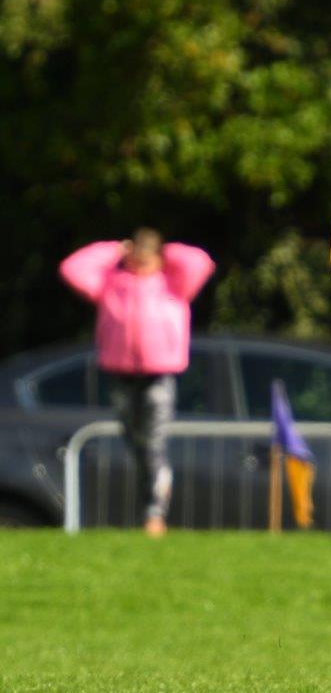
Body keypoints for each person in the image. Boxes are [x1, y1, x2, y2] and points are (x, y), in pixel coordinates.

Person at [59, 229, 215, 537]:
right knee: (135, 440)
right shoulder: (112, 285)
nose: (141, 265)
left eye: (147, 259)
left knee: (154, 443)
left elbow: (200, 261)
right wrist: (115, 249)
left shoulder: (173, 284)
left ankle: (154, 514)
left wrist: (167, 251)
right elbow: (73, 268)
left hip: (159, 373)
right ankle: (152, 497)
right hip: (121, 372)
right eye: (136, 259)